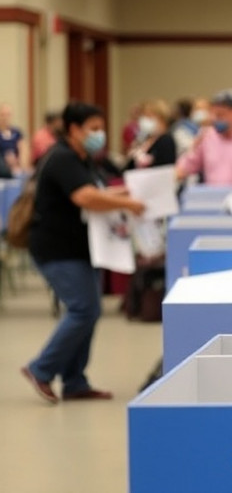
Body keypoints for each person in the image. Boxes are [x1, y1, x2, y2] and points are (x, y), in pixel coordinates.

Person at [21, 101, 146, 404]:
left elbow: (96, 189)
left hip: (80, 247)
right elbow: (86, 197)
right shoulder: (62, 158)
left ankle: (75, 382)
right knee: (84, 310)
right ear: (73, 129)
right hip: (57, 249)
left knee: (87, 312)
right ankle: (41, 368)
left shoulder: (81, 157)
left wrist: (129, 191)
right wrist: (128, 204)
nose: (99, 135)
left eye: (101, 128)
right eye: (93, 129)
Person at [126, 99, 177, 169]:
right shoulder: (146, 139)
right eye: (143, 116)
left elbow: (164, 167)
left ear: (161, 118)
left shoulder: (166, 140)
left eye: (149, 116)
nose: (144, 120)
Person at [0, 103, 27, 175]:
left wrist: (20, 164)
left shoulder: (17, 132)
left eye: (8, 115)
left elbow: (23, 150)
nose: (5, 118)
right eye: (2, 115)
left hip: (17, 168)